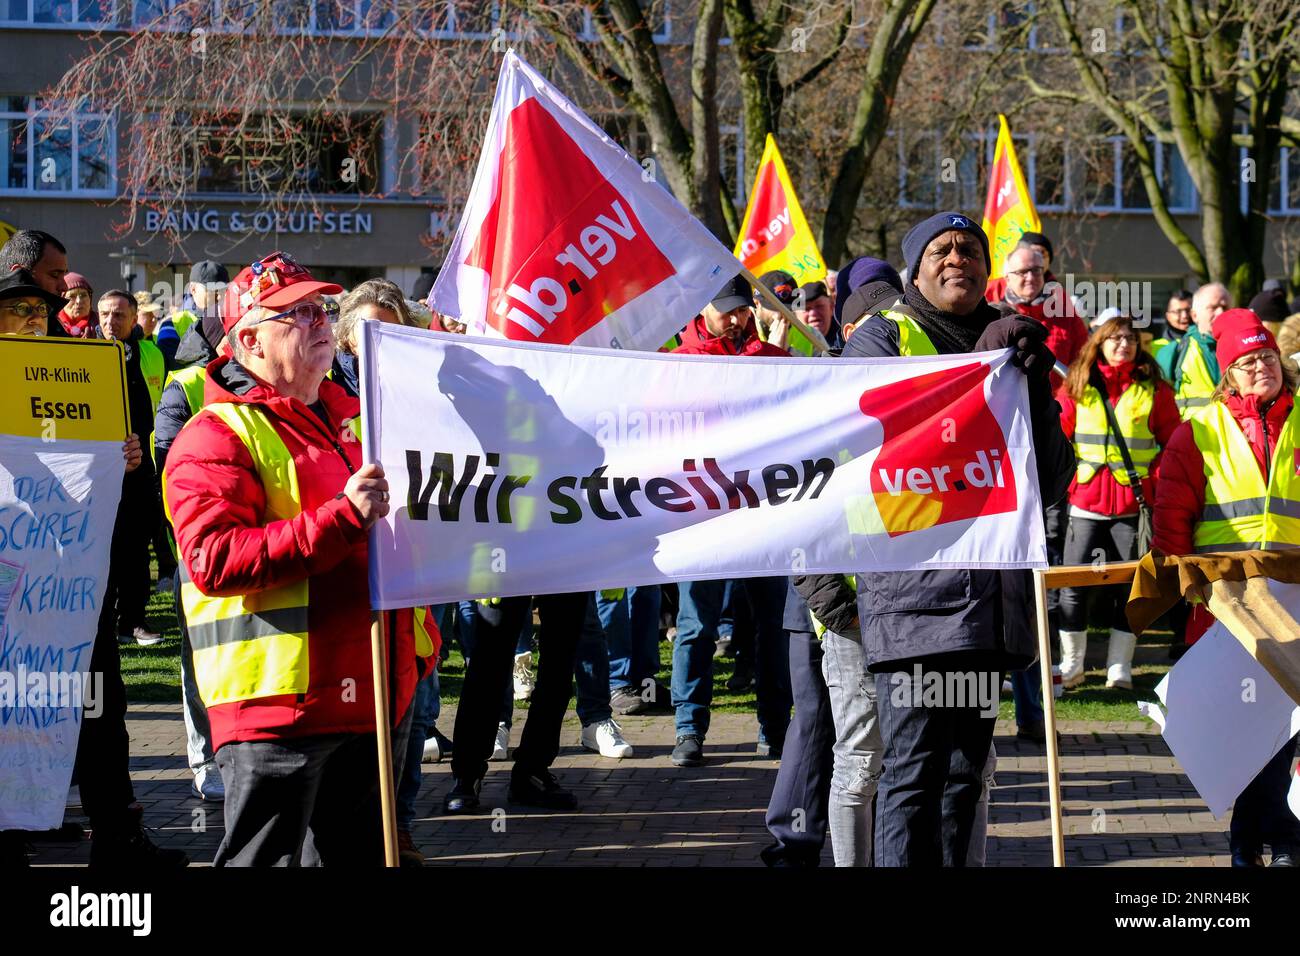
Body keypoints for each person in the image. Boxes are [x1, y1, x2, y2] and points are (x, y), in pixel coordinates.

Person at [164, 251, 432, 866]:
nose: (321, 322)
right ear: (251, 340)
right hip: (278, 710)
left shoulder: (353, 422)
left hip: (372, 696)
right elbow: (213, 558)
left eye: (321, 309)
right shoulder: (214, 434)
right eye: (298, 313)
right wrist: (342, 516)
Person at [841, 212, 1075, 866]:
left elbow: (1052, 477)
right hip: (915, 604)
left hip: (988, 609)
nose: (958, 260)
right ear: (914, 268)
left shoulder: (1011, 341)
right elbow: (879, 450)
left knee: (966, 778)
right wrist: (983, 366)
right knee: (914, 774)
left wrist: (1030, 382)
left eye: (970, 249)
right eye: (941, 250)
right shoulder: (882, 340)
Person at [760, 257, 902, 867]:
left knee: (872, 738)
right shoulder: (819, 382)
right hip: (823, 597)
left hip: (887, 600)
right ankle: (796, 837)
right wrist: (829, 599)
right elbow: (791, 498)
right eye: (864, 311)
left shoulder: (901, 378)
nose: (879, 324)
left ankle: (864, 844)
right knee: (816, 717)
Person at [1153, 307, 1300, 867]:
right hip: (1228, 605)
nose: (1260, 366)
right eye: (1246, 361)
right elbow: (1171, 518)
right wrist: (1188, 584)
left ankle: (1270, 841)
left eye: (1267, 356)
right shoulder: (1199, 433)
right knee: (1247, 728)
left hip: (1296, 599)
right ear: (1228, 374)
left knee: (1288, 726)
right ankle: (1263, 843)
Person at [667, 276, 793, 768]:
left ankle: (774, 727)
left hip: (763, 512)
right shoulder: (677, 366)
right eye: (727, 311)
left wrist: (777, 359)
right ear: (703, 310)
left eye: (743, 309)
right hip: (700, 514)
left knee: (771, 624)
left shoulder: (768, 358)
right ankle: (688, 729)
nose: (737, 319)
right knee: (696, 624)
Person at [1055, 315, 1179, 690]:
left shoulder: (1155, 389)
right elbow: (1059, 441)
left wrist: (1152, 482)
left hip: (1132, 505)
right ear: (1100, 344)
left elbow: (1172, 444)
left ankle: (1118, 668)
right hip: (1085, 502)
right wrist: (1072, 480)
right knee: (1073, 587)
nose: (1123, 344)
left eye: (1129, 338)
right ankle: (1072, 666)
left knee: (1130, 586)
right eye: (1115, 338)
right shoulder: (1077, 386)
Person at [95, 290, 165, 647]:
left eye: (119, 315)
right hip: (99, 468)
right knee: (101, 546)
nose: (110, 321)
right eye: (105, 314)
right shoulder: (84, 353)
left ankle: (133, 621)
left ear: (134, 317)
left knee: (137, 545)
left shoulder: (151, 354)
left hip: (142, 466)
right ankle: (101, 620)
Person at [995, 242, 1089, 389]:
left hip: (1057, 407)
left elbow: (1083, 365)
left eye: (1036, 270)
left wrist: (1063, 405)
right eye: (1023, 271)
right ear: (1007, 278)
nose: (1031, 277)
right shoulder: (992, 317)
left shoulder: (1066, 316)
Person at [331, 278, 422, 398]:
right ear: (346, 334)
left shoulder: (415, 382)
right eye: (370, 329)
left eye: (390, 333)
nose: (379, 340)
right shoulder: (323, 381)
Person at [1156, 282, 1227, 420]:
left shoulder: (1244, 348)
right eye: (1213, 307)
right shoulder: (1173, 352)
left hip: (1233, 436)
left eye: (1225, 306)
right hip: (1191, 435)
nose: (1221, 312)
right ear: (1195, 315)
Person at [157, 261, 229, 367]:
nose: (219, 296)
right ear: (193, 289)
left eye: (223, 290)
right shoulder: (171, 325)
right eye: (212, 290)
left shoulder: (232, 320)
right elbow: (172, 368)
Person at [0, 229, 70, 337]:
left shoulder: (60, 339)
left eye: (42, 309)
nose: (64, 287)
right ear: (18, 271)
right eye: (54, 275)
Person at [55, 273, 96, 337]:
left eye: (83, 295)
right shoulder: (50, 325)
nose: (78, 301)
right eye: (71, 296)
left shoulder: (103, 326)